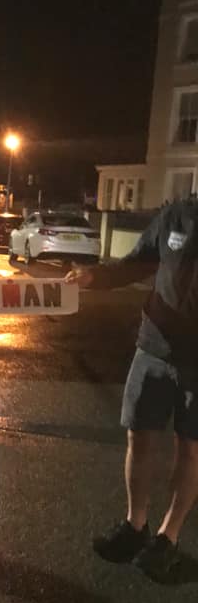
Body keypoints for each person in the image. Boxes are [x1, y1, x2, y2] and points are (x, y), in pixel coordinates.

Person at [67, 195, 198, 581]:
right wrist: (95, 278)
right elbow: (137, 264)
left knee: (191, 450)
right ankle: (135, 526)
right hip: (154, 347)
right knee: (138, 438)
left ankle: (167, 538)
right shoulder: (176, 215)